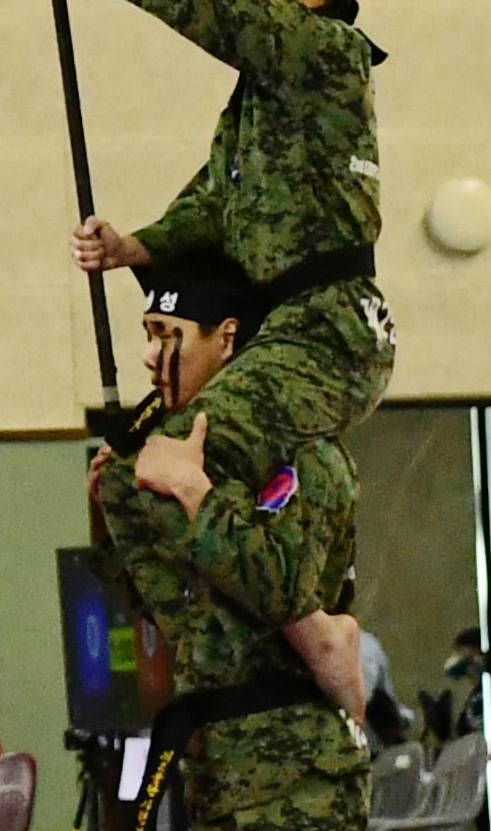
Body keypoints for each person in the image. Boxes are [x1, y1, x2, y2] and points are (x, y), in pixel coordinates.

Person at [30, 0, 390, 716]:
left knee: (167, 462)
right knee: (124, 479)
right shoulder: (265, 94)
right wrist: (133, 246)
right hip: (287, 331)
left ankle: (315, 631)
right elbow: (217, 201)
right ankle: (226, 650)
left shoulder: (322, 51)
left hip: (328, 330)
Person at [85, 262, 372, 831]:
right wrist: (117, 510)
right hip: (216, 764)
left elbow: (282, 592)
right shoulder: (182, 450)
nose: (150, 355)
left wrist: (196, 491)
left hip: (297, 773)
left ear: (228, 339)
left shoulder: (300, 449)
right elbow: (168, 605)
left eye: (168, 334)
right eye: (147, 334)